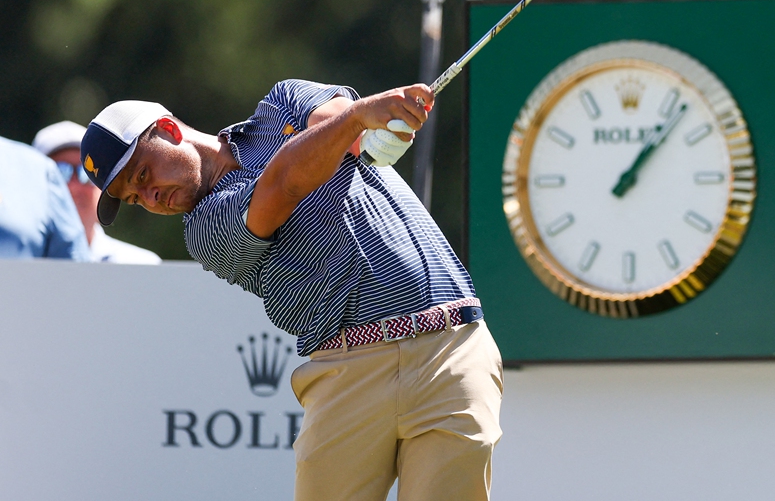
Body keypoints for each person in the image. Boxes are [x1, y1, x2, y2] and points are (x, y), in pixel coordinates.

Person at [79, 80, 501, 501]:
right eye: (136, 198)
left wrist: (374, 122)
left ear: (169, 131)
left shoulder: (283, 101)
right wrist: (359, 118)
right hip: (348, 371)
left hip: (450, 348)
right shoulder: (204, 230)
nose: (151, 197)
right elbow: (283, 186)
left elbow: (340, 127)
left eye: (142, 174)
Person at [33, 120, 161, 264]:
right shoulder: (12, 262)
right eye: (59, 172)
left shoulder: (143, 267)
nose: (73, 187)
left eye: (85, 172)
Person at [0, 134, 90, 261]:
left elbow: (75, 271)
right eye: (63, 169)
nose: (74, 185)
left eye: (84, 172)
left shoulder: (38, 169)